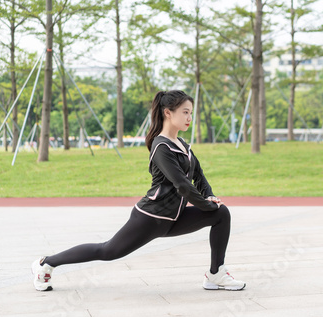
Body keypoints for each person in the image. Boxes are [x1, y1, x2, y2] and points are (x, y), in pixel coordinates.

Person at [32, 90, 246, 292]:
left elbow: (198, 175)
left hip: (174, 218)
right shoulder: (161, 147)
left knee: (221, 214)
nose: (190, 117)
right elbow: (182, 185)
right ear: (168, 113)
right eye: (185, 112)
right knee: (107, 251)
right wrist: (205, 205)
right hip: (151, 218)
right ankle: (46, 263)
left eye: (191, 112)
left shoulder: (181, 144)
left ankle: (215, 274)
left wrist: (209, 196)